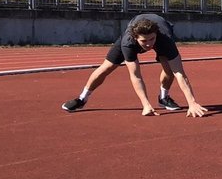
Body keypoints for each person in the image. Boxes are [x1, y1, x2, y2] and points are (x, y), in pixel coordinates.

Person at [61, 13, 208, 118]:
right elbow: (136, 75)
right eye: (144, 41)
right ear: (136, 38)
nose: (149, 44)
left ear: (156, 34)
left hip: (162, 32)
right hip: (130, 36)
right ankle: (82, 99)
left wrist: (192, 102)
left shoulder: (164, 39)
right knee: (106, 68)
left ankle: (164, 97)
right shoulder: (128, 42)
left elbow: (180, 74)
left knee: (169, 70)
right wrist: (145, 104)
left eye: (151, 39)